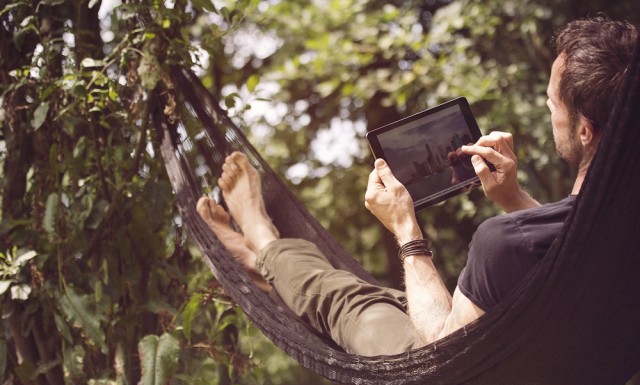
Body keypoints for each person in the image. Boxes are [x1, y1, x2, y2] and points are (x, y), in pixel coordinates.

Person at [196, 16, 639, 357]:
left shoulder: (504, 243)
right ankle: (268, 262)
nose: (547, 108)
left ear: (584, 130)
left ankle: (262, 242)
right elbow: (563, 256)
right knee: (378, 294)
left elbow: (438, 352)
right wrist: (514, 200)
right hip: (540, 369)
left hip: (462, 381)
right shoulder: (621, 222)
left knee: (342, 300)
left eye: (551, 101)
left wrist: (406, 228)